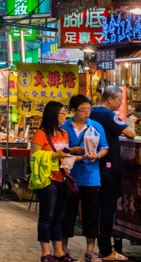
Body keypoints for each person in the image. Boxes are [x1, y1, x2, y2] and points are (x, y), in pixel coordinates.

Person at [31, 101, 83, 262]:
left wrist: (77, 155)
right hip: (48, 180)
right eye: (62, 113)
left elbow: (64, 155)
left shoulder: (63, 134)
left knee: (59, 217)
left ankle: (59, 253)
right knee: (47, 217)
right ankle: (45, 254)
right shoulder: (41, 133)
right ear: (54, 114)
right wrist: (54, 155)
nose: (65, 116)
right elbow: (34, 157)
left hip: (63, 178)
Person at [89, 86, 136, 261]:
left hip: (93, 168)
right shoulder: (108, 115)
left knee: (94, 209)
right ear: (110, 100)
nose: (121, 102)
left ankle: (91, 249)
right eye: (119, 100)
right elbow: (131, 134)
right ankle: (106, 250)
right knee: (107, 209)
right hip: (108, 168)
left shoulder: (91, 112)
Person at [60, 94, 108, 262]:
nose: (87, 113)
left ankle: (90, 250)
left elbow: (104, 148)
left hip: (91, 177)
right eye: (83, 110)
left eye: (89, 109)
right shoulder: (64, 127)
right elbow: (60, 150)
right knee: (67, 214)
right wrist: (75, 150)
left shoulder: (96, 126)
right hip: (69, 177)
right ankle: (63, 249)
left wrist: (98, 155)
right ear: (73, 110)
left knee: (91, 214)